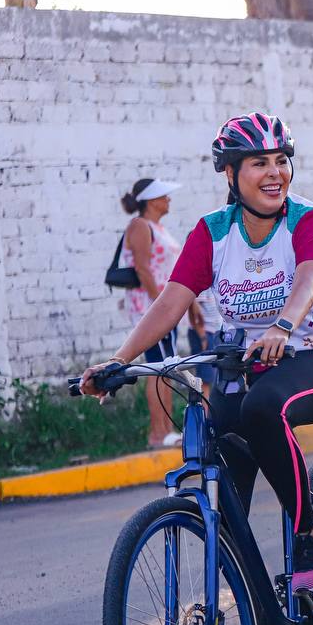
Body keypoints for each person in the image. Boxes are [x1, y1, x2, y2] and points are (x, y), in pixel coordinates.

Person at [82, 113, 313, 602]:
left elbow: (310, 278)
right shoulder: (213, 233)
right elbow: (170, 299)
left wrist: (283, 325)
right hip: (245, 369)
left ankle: (309, 540)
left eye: (281, 161)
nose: (275, 173)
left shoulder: (309, 218)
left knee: (262, 409)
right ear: (230, 174)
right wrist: (118, 362)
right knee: (223, 475)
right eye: (259, 163)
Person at [118, 177, 199, 448]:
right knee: (156, 368)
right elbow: (143, 269)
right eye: (164, 196)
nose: (169, 200)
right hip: (150, 310)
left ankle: (166, 430)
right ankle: (158, 433)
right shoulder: (140, 226)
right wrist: (159, 309)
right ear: (152, 200)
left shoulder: (158, 227)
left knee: (165, 366)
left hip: (165, 311)